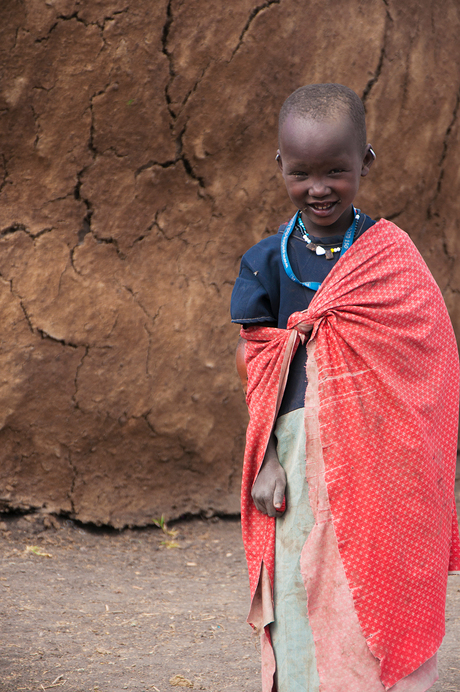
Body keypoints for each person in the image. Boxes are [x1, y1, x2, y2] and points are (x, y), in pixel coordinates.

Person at [230, 83, 460, 692]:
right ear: (281, 167)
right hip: (298, 467)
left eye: (337, 169)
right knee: (303, 595)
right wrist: (269, 461)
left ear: (366, 163)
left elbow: (427, 362)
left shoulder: (390, 258)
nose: (320, 187)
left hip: (383, 466)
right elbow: (260, 368)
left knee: (373, 595)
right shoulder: (265, 263)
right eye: (301, 172)